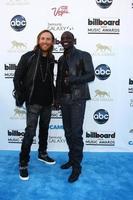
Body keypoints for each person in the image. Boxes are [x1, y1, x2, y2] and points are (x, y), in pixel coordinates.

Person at [13, 30, 56, 181]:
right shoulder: (28, 57)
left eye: (48, 39)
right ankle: (23, 162)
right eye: (43, 38)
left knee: (44, 129)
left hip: (48, 102)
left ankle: (42, 153)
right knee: (30, 133)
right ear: (38, 40)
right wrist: (21, 96)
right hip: (33, 103)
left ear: (52, 42)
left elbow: (50, 81)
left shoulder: (52, 58)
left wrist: (54, 98)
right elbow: (17, 78)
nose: (45, 41)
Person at [56, 31, 95, 183]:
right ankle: (72, 159)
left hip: (78, 99)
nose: (65, 40)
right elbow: (59, 80)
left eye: (69, 38)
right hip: (64, 100)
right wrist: (56, 98)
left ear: (74, 40)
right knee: (67, 132)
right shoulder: (60, 59)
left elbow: (91, 75)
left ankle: (77, 168)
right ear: (60, 42)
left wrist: (73, 79)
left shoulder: (84, 55)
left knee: (76, 133)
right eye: (63, 38)